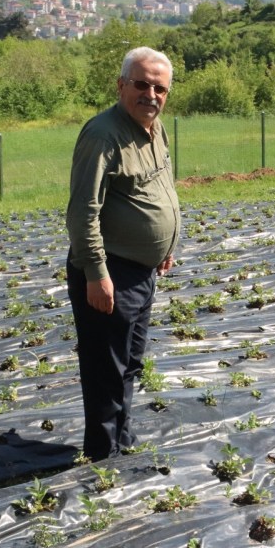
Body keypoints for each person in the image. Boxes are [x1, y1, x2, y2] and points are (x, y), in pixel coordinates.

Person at [66, 46, 181, 461]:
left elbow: (161, 185)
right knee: (105, 370)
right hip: (111, 271)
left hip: (143, 271)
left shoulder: (154, 128)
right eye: (141, 84)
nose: (151, 94)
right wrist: (96, 274)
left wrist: (166, 245)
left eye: (159, 88)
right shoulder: (103, 135)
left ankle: (122, 441)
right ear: (121, 85)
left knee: (130, 363)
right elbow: (83, 212)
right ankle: (102, 456)